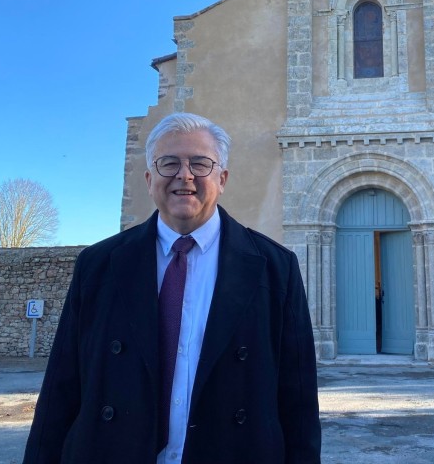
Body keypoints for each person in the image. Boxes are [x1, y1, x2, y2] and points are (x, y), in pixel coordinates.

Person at [23, 112, 321, 463]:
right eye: (169, 163)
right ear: (150, 179)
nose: (185, 175)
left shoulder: (276, 268)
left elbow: (298, 400)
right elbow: (61, 387)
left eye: (200, 163)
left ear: (222, 179)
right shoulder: (97, 265)